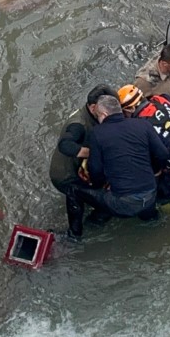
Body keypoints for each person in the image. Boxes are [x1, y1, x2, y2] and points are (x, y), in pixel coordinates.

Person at [72, 95, 170, 229]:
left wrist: (100, 187)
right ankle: (154, 221)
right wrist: (155, 172)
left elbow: (95, 170)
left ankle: (74, 234)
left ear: (104, 114)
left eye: (98, 116)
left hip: (123, 203)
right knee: (150, 220)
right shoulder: (142, 124)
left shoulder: (97, 133)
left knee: (73, 190)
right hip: (150, 193)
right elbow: (163, 154)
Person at [48, 84, 116, 239]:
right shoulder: (78, 124)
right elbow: (65, 145)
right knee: (107, 205)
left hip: (78, 168)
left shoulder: (95, 115)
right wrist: (92, 153)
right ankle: (80, 232)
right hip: (66, 176)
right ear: (93, 107)